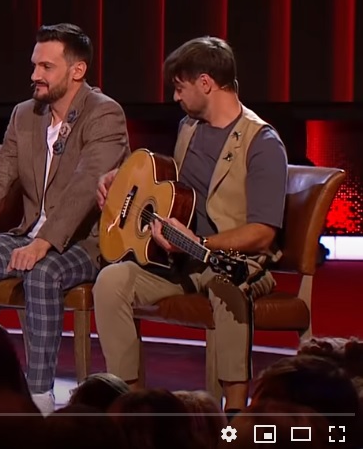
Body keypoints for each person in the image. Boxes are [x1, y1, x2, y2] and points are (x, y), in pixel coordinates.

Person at [0, 23, 129, 414]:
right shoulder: (25, 115)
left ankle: (40, 396)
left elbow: (86, 185)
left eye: (46, 67)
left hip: (85, 243)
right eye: (34, 65)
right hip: (27, 234)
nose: (35, 75)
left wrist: (44, 243)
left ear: (77, 70)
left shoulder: (104, 114)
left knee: (42, 272)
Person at [93, 36, 288, 414]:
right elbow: (172, 188)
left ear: (205, 83)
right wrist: (121, 181)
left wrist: (200, 241)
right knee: (111, 281)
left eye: (180, 87)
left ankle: (233, 412)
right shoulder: (189, 127)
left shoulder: (262, 142)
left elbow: (263, 232)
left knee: (228, 288)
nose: (175, 97)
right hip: (179, 260)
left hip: (232, 261)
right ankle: (131, 404)